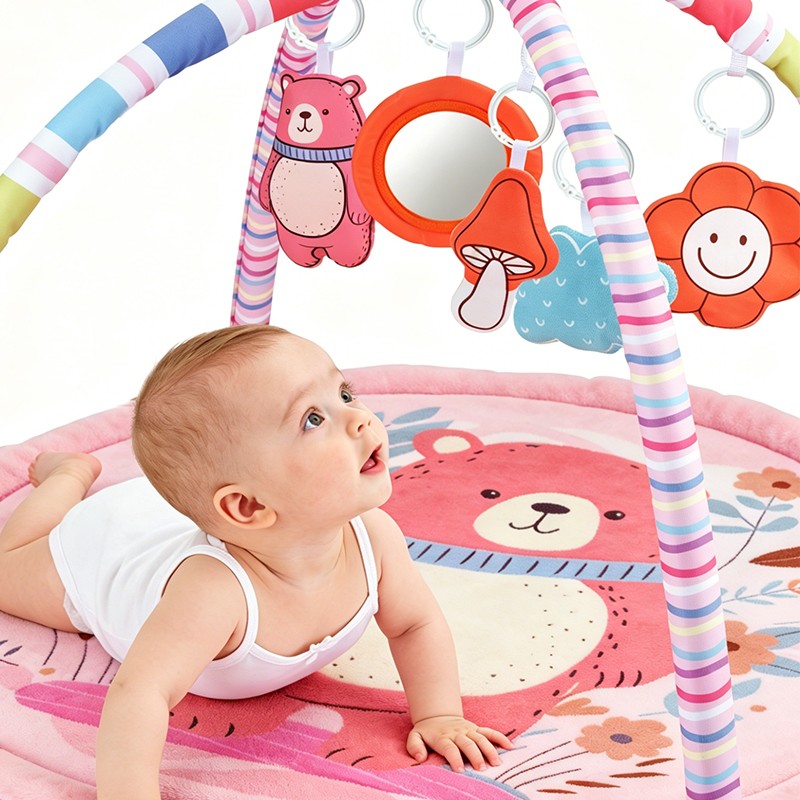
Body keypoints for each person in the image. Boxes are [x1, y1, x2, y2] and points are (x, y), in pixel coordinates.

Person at [0, 324, 513, 799]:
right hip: (107, 550)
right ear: (248, 506)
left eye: (344, 394)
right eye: (313, 419)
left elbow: (415, 624)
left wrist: (439, 714)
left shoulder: (372, 537)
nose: (359, 417)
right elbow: (141, 694)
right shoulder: (214, 591)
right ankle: (70, 475)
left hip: (160, 517)